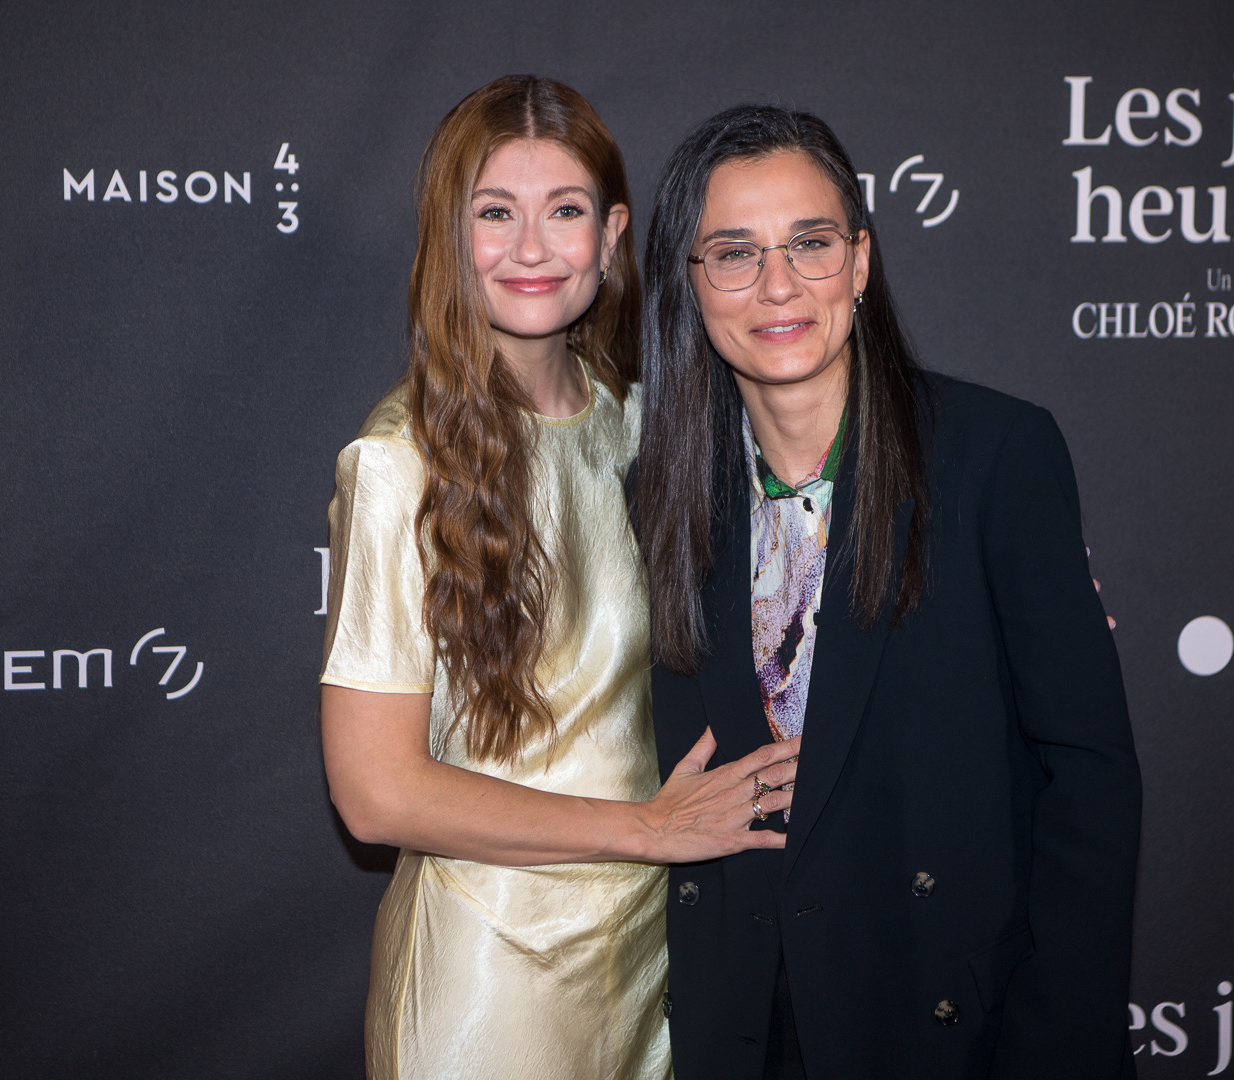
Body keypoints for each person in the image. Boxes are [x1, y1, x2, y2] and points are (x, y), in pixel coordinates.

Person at [634, 104, 1142, 1079]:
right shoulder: (659, 495)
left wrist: (1052, 1044)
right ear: (690, 285)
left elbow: (1089, 780)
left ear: (860, 264)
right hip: (749, 1027)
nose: (777, 285)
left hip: (953, 1029)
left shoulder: (994, 456)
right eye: (734, 253)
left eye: (810, 244)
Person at [317, 77, 800, 1080]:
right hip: (493, 985)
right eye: (495, 214)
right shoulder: (398, 464)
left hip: (651, 961)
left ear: (613, 234)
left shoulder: (632, 421)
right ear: (451, 236)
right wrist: (650, 829)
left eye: (565, 212)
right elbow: (374, 793)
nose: (531, 249)